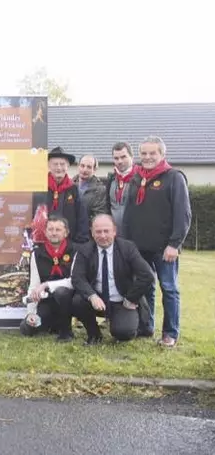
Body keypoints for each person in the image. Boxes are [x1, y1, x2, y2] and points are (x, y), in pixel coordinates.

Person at [123, 136, 191, 347]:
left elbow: (183, 214)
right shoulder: (136, 178)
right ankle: (146, 327)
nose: (148, 157)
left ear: (162, 154)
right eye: (143, 153)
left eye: (153, 153)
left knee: (169, 288)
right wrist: (126, 243)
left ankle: (170, 333)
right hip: (139, 247)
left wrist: (174, 244)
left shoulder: (174, 177)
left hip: (164, 249)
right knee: (145, 288)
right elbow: (129, 214)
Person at [71, 215, 155, 344]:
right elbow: (77, 278)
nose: (103, 236)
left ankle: (130, 324)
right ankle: (94, 334)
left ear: (114, 231)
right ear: (92, 233)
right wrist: (92, 296)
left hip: (122, 300)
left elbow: (147, 275)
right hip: (97, 300)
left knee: (123, 333)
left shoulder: (128, 248)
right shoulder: (85, 250)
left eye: (106, 231)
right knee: (77, 301)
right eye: (98, 232)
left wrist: (130, 298)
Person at [20, 215, 75, 342]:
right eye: (50, 229)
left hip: (71, 300)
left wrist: (47, 285)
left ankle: (66, 332)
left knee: (61, 292)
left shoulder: (76, 250)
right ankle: (51, 324)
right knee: (27, 328)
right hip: (48, 301)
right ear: (45, 232)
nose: (54, 233)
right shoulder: (37, 254)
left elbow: (75, 281)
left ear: (66, 233)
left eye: (58, 229)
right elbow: (34, 286)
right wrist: (31, 313)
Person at [42, 146, 89, 244]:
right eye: (55, 164)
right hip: (43, 244)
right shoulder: (40, 188)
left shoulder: (74, 189)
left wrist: (79, 243)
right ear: (49, 166)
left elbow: (82, 218)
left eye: (62, 164)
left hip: (69, 244)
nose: (59, 168)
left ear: (67, 166)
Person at [104, 141, 138, 237]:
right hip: (114, 236)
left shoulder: (141, 179)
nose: (120, 161)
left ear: (132, 157)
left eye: (123, 157)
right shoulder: (111, 179)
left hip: (135, 236)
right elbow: (108, 206)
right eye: (116, 158)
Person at [73, 154, 108, 223]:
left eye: (89, 167)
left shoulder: (100, 190)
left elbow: (98, 216)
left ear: (94, 169)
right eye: (82, 166)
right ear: (78, 166)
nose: (84, 170)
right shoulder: (69, 185)